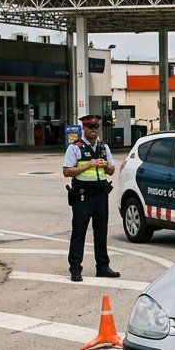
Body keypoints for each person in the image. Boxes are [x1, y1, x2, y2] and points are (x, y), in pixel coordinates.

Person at [62, 115, 121, 282]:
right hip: (82, 195)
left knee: (101, 232)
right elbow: (66, 171)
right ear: (84, 129)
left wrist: (106, 166)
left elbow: (111, 171)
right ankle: (75, 268)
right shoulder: (75, 148)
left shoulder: (104, 147)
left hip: (101, 194)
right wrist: (89, 164)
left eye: (96, 128)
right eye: (90, 128)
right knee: (79, 232)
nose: (94, 131)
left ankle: (102, 266)